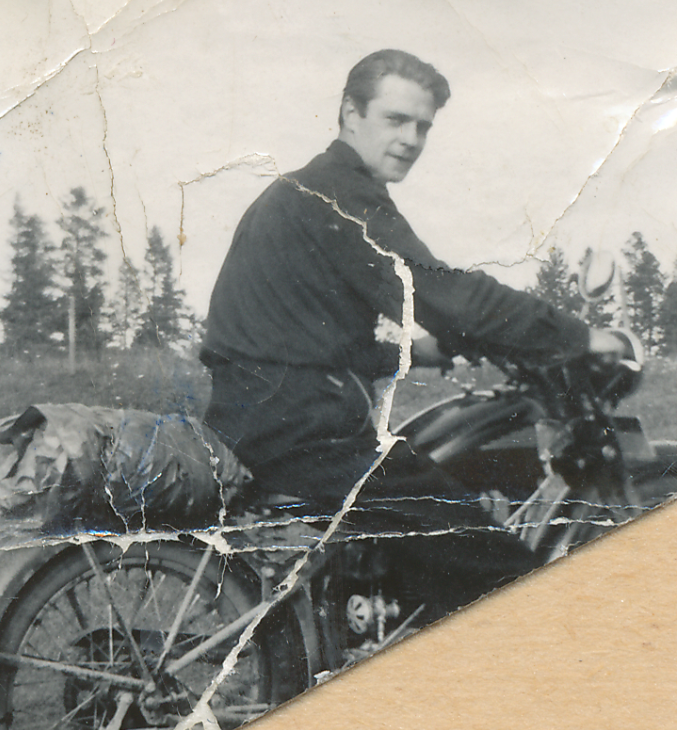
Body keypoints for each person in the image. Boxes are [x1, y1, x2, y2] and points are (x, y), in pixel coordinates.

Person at [200, 49, 624, 613]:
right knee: (508, 577)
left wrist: (418, 354)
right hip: (307, 434)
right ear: (352, 114)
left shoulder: (306, 190)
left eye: (423, 126)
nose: (412, 139)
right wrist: (577, 336)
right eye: (396, 120)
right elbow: (446, 294)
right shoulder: (341, 193)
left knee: (436, 533)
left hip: (268, 417)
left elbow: (311, 337)